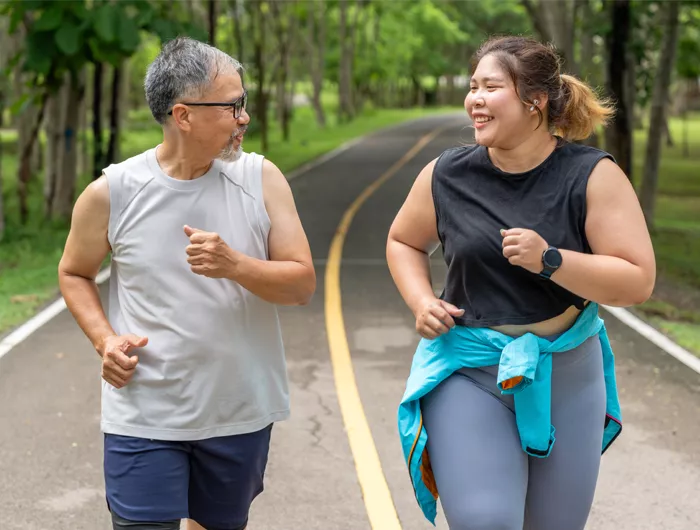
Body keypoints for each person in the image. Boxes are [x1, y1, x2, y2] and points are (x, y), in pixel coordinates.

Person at [388, 36, 656, 530]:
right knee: (485, 521)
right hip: (469, 369)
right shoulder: (446, 174)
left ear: (535, 102)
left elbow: (636, 281)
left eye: (491, 86)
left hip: (567, 372)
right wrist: (421, 299)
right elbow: (404, 241)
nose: (475, 98)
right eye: (473, 87)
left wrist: (550, 260)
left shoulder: (591, 175)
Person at [58, 37, 315, 530]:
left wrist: (236, 265)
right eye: (233, 105)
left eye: (245, 103)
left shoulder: (262, 179)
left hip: (237, 411)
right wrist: (104, 339)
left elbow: (301, 284)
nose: (244, 117)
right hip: (144, 411)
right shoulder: (113, 192)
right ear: (184, 115)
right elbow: (74, 272)